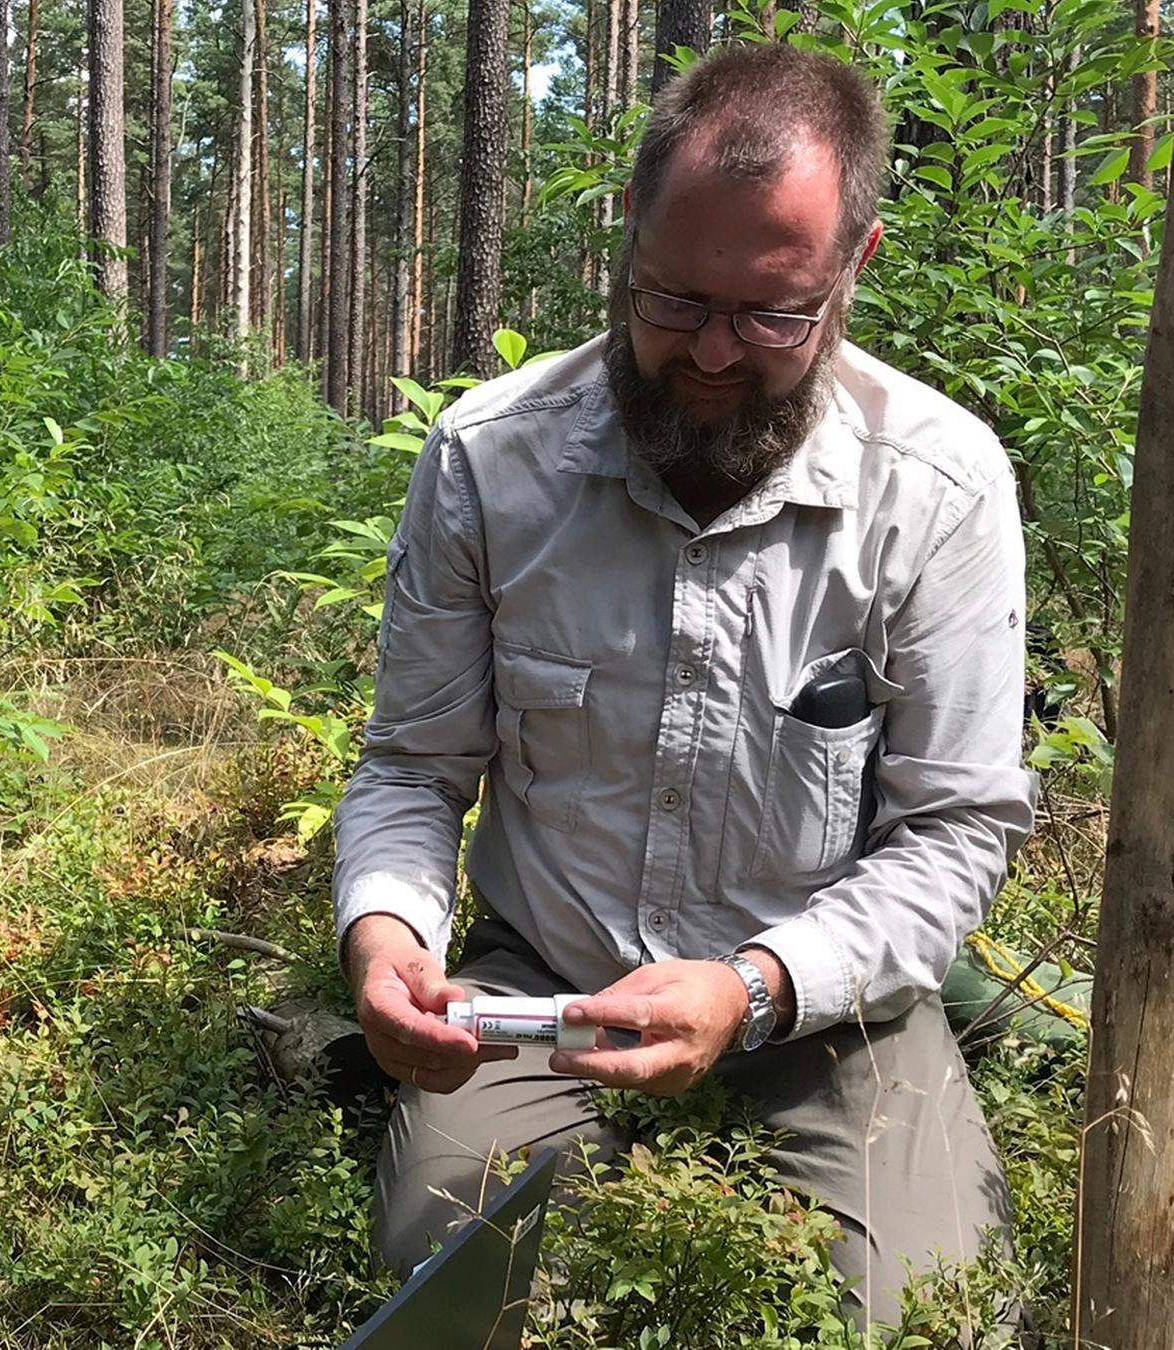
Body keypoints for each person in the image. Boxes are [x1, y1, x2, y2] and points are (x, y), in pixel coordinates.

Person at [331, 43, 1033, 1326]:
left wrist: (756, 985)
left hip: (831, 1004)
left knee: (934, 1314)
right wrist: (384, 941)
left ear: (853, 267)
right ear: (627, 240)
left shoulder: (940, 488)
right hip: (543, 980)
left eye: (773, 314)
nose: (711, 354)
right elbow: (414, 767)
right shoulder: (492, 460)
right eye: (671, 301)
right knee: (450, 1298)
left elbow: (956, 829)